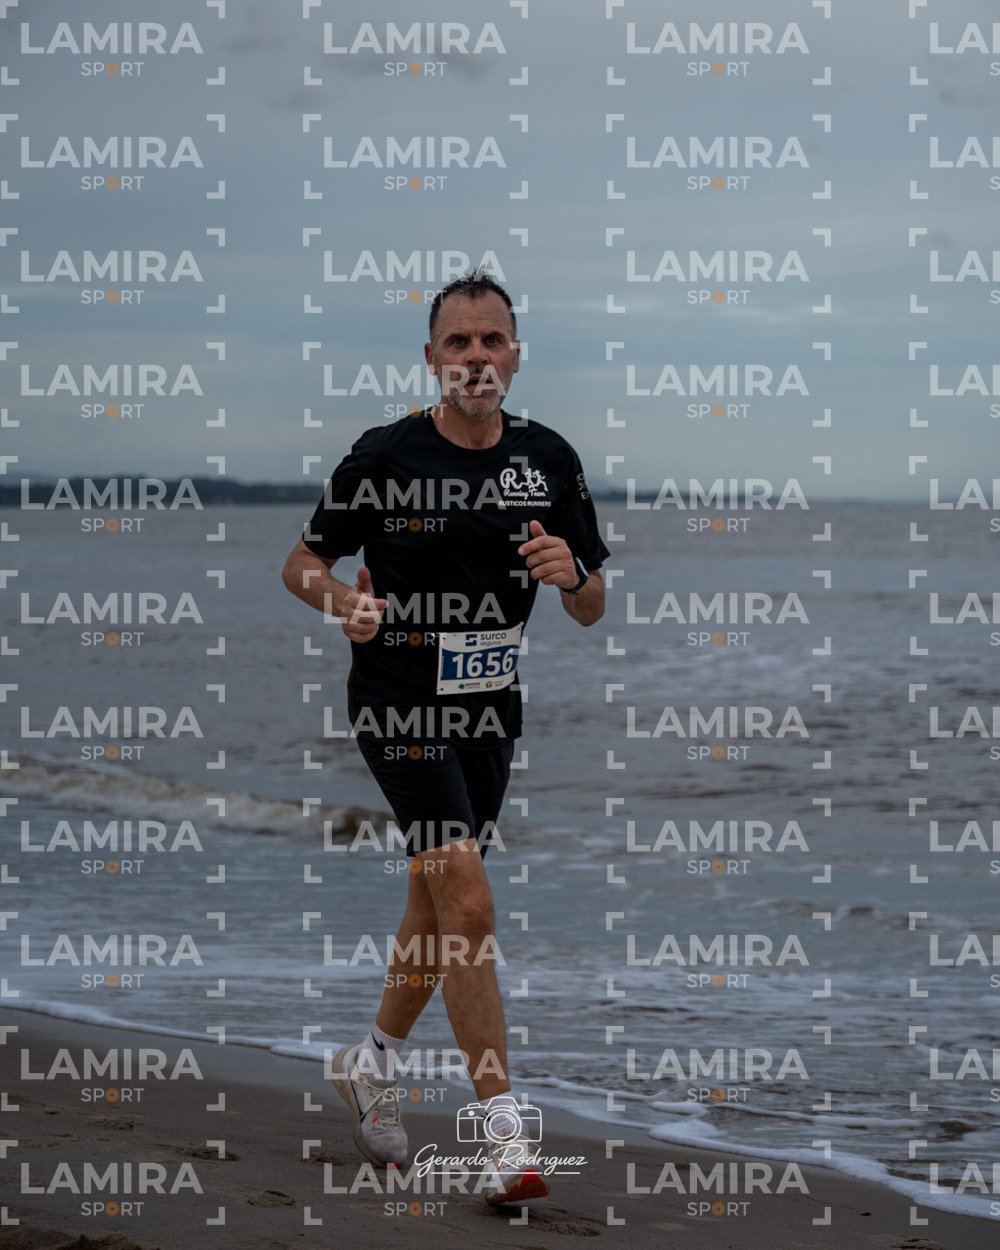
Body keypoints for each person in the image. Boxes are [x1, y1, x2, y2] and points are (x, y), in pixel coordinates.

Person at [282, 270, 608, 1205]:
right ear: (431, 357)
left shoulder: (549, 458)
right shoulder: (385, 456)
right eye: (458, 343)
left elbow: (591, 605)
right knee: (467, 899)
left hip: (490, 707)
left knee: (437, 907)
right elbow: (301, 564)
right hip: (400, 700)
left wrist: (571, 572)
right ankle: (502, 1132)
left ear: (516, 355)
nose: (475, 358)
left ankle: (372, 1059)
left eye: (491, 340)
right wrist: (343, 603)